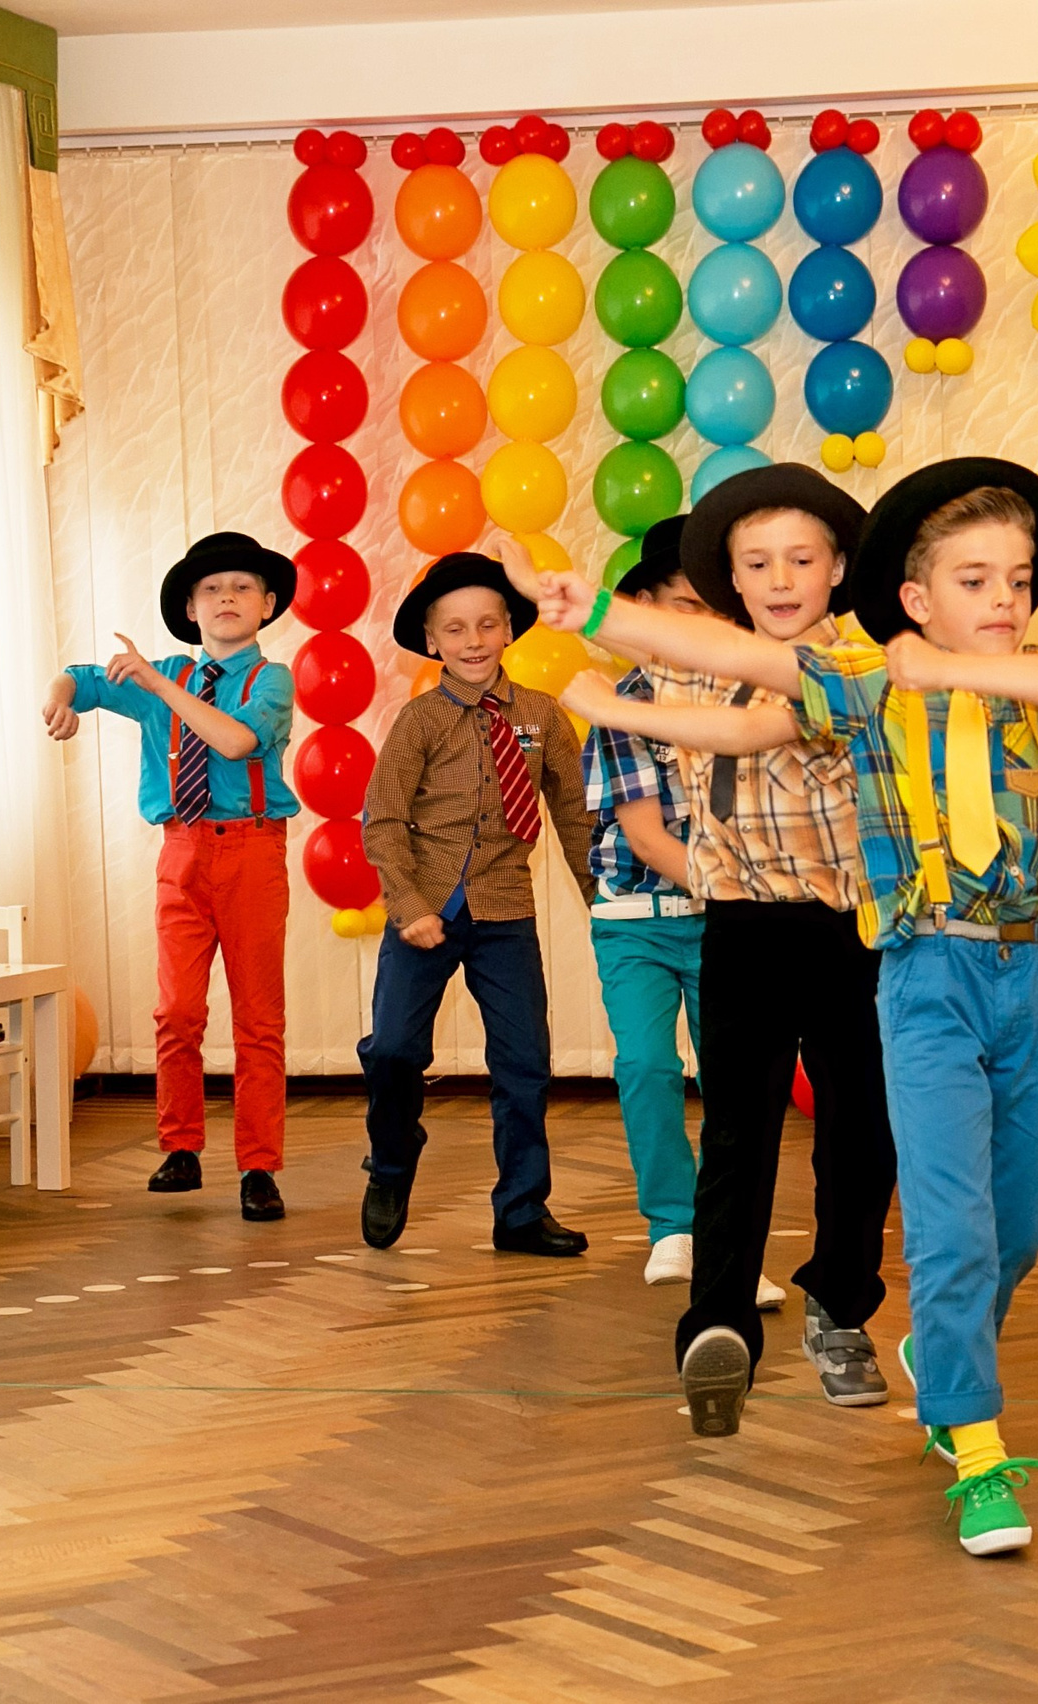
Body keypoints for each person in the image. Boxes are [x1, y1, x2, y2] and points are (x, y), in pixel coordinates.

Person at [554, 458, 1038, 1560]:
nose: (1004, 598)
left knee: (1031, 1209)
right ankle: (976, 1444)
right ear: (912, 597)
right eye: (973, 579)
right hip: (922, 975)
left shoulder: (1036, 685)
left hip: (1032, 971)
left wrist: (965, 669)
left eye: (1018, 578)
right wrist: (604, 621)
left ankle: (945, 1357)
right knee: (948, 1224)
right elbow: (736, 661)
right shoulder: (866, 689)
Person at [512, 464, 896, 1435]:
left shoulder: (860, 664)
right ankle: (715, 1323)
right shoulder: (693, 655)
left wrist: (618, 702)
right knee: (738, 1136)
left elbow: (743, 723)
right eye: (754, 561)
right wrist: (576, 610)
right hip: (742, 928)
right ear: (727, 578)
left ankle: (840, 1306)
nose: (779, 578)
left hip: (853, 933)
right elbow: (654, 641)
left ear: (837, 566)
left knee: (861, 1138)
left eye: (801, 558)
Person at [43, 532, 298, 1222]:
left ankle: (258, 1166)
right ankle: (180, 1146)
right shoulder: (167, 676)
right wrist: (61, 695)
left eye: (243, 587)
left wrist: (157, 682)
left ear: (267, 605)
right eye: (211, 589)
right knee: (178, 1010)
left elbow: (237, 740)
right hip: (181, 853)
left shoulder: (270, 680)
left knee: (257, 1017)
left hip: (251, 852)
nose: (226, 598)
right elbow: (82, 675)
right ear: (190, 608)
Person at [358, 550, 595, 1258]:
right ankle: (392, 1160)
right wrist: (409, 906)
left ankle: (521, 1210)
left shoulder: (543, 718)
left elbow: (575, 816)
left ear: (508, 631)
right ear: (432, 641)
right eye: (455, 629)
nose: (473, 641)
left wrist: (599, 902)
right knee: (396, 1048)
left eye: (486, 625)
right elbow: (383, 820)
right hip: (425, 913)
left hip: (504, 915)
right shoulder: (419, 722)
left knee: (525, 1064)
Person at [581, 518, 779, 1308]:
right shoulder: (621, 707)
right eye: (678, 608)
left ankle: (731, 1244)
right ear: (643, 613)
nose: (694, 626)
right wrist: (726, 879)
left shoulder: (752, 703)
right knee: (648, 1065)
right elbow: (644, 833)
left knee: (738, 1081)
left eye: (709, 610)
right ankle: (672, 1227)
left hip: (725, 920)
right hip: (636, 918)